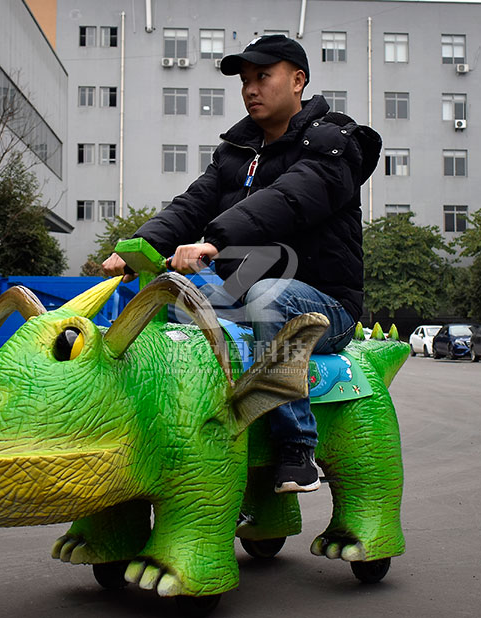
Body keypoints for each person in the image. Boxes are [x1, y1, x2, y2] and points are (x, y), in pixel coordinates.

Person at [103, 34, 380, 493]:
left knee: (268, 295)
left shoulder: (334, 144)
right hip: (248, 298)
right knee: (173, 301)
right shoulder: (236, 153)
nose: (251, 88)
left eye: (262, 77)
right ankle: (193, 440)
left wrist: (215, 241)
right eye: (245, 80)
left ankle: (297, 447)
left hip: (324, 307)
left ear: (298, 80)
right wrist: (137, 246)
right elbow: (191, 205)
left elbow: (292, 196)